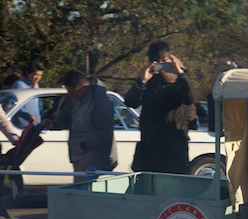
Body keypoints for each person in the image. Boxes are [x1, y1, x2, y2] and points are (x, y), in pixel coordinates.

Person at [125, 41, 196, 174]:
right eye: (157, 61)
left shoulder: (180, 82)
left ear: (172, 59)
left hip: (174, 146)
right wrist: (142, 81)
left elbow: (191, 98)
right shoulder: (148, 83)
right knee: (147, 188)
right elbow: (130, 102)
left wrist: (180, 74)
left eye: (165, 60)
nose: (162, 65)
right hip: (149, 147)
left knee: (173, 186)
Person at [41, 70, 117, 182]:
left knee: (81, 187)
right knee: (80, 187)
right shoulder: (72, 98)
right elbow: (66, 117)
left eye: (74, 91)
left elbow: (105, 131)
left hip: (92, 153)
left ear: (85, 86)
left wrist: (84, 146)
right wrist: (54, 124)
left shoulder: (101, 101)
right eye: (69, 91)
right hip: (75, 150)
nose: (72, 95)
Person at [11, 60, 45, 129]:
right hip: (21, 125)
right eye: (35, 74)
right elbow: (15, 104)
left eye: (40, 75)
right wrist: (27, 116)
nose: (37, 78)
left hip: (35, 124)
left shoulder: (36, 85)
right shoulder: (19, 85)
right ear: (28, 73)